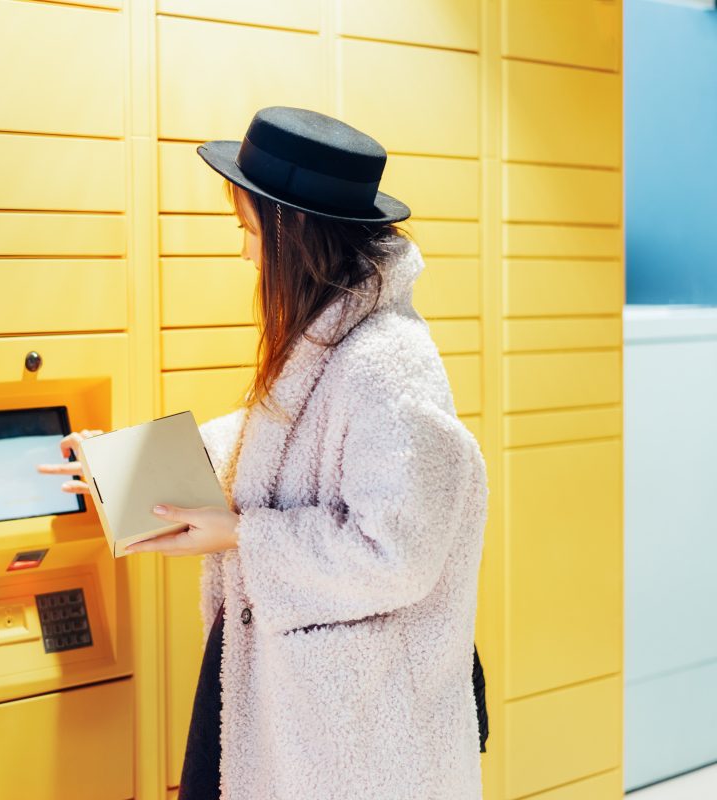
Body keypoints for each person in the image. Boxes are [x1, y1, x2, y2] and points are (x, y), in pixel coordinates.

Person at [39, 107, 489, 799]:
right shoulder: (334, 338)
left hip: (347, 739)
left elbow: (395, 554)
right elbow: (273, 439)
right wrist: (129, 463)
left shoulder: (389, 361)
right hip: (285, 699)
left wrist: (241, 537)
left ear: (294, 230)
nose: (245, 252)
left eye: (249, 230)